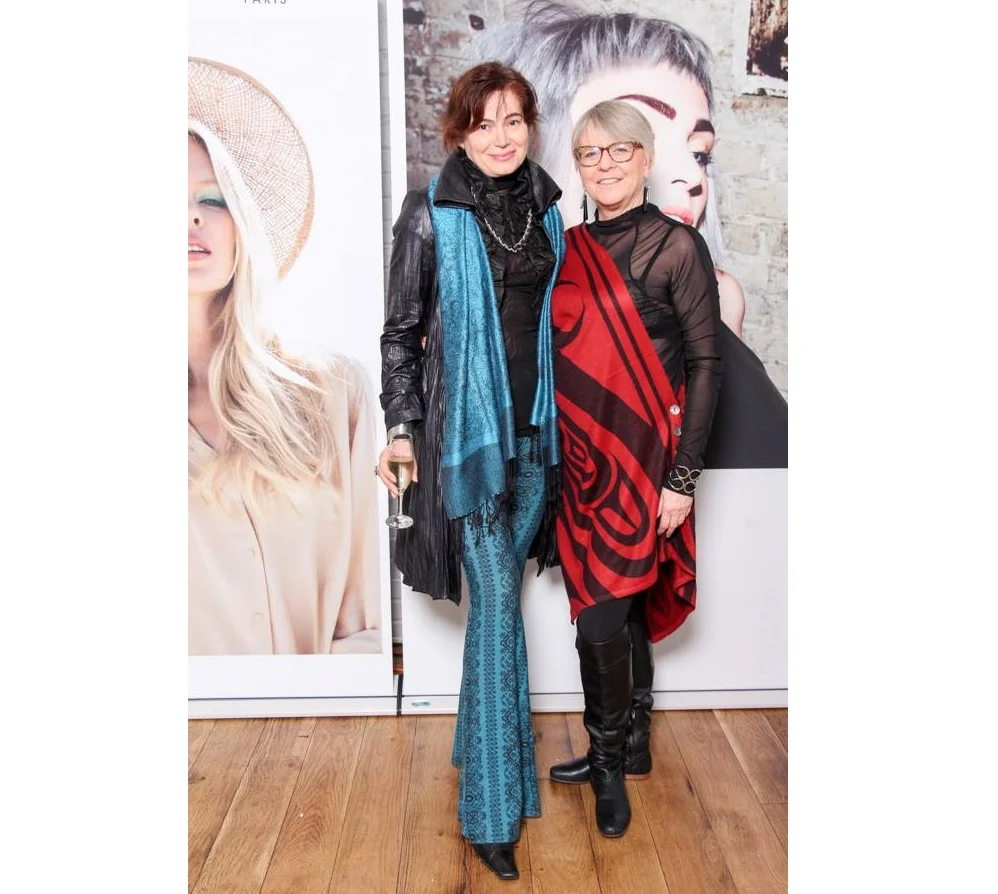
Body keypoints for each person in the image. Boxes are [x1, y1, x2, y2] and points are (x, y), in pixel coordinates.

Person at [378, 61, 564, 881]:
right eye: (484, 123)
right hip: (467, 442)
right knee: (494, 606)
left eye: (514, 120)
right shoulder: (429, 211)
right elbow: (399, 334)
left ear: (530, 127)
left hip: (535, 435)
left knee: (500, 606)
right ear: (458, 133)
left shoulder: (549, 208)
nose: (501, 137)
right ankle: (492, 810)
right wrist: (401, 429)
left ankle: (481, 753)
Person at [471, 0, 788, 469]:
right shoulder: (507, 294)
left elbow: (736, 458)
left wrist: (680, 484)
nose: (691, 176)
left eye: (699, 152)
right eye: (622, 139)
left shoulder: (719, 296)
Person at [548, 100, 722, 838]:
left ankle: (608, 765)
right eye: (590, 153)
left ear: (647, 160)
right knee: (615, 610)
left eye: (620, 150)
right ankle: (635, 739)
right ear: (578, 167)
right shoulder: (565, 248)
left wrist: (682, 479)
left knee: (603, 616)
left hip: (647, 466)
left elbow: (707, 365)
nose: (606, 164)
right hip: (579, 464)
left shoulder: (676, 246)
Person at [188, 57, 382, 656]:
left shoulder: (334, 392)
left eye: (213, 198)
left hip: (324, 707)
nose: (191, 217)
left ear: (243, 223)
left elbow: (370, 616)